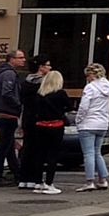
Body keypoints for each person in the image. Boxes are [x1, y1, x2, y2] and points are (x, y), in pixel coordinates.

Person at [20, 65, 68, 195]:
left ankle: (38, 182)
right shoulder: (61, 94)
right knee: (53, 155)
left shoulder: (40, 94)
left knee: (39, 154)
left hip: (40, 126)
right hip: (55, 126)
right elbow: (68, 107)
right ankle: (49, 183)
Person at [0, 49, 27, 187]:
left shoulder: (2, 73)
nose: (23, 60)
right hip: (6, 113)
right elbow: (7, 93)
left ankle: (16, 173)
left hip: (0, 112)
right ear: (12, 59)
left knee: (9, 145)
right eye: (20, 57)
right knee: (4, 145)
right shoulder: (9, 74)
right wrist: (18, 104)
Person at [75, 63, 109, 192]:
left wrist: (78, 120)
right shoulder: (108, 87)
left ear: (92, 74)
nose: (87, 78)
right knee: (97, 153)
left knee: (88, 154)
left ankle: (89, 181)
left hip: (88, 123)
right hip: (102, 123)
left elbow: (84, 107)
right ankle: (103, 180)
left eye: (87, 75)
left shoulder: (90, 88)